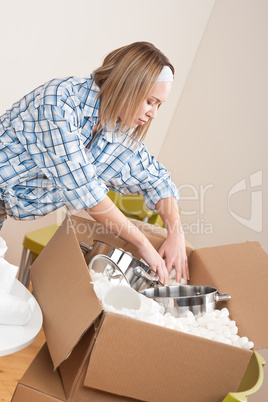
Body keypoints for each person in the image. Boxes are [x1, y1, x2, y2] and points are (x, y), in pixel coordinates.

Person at [0, 41, 188, 284]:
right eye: (150, 101)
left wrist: (176, 234)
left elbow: (157, 181)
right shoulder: (59, 102)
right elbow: (85, 188)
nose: (154, 113)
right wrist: (142, 243)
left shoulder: (117, 133)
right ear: (128, 85)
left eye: (159, 105)